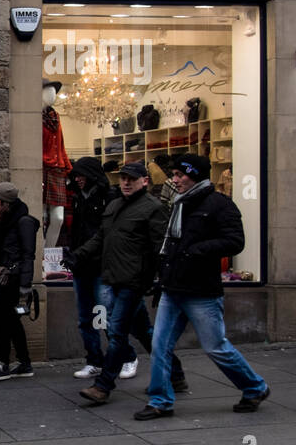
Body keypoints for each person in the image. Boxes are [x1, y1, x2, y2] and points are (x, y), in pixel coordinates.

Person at [139, 154, 269, 419]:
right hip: (173, 287)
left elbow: (235, 242)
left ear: (194, 175)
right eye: (173, 175)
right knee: (160, 346)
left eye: (179, 175)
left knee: (215, 347)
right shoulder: (179, 203)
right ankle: (160, 400)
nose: (174, 180)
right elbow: (170, 244)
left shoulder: (220, 204)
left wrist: (197, 251)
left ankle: (254, 386)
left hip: (201, 291)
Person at [72, 162, 186, 405]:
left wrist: (158, 280)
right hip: (114, 277)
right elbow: (101, 237)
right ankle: (176, 374)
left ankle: (103, 386)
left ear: (144, 181)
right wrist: (78, 255)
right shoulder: (115, 205)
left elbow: (160, 249)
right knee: (144, 332)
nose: (126, 182)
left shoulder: (152, 208)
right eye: (123, 178)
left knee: (117, 332)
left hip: (133, 282)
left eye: (131, 179)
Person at [64, 157, 116, 380]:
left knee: (105, 315)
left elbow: (104, 235)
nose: (77, 179)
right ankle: (94, 359)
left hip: (100, 266)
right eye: (75, 176)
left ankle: (123, 356)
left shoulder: (108, 198)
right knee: (86, 317)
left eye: (81, 175)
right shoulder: (78, 198)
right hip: (81, 266)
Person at [0, 181, 39, 381]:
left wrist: (25, 285)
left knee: (2, 319)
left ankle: (3, 363)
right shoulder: (3, 221)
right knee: (11, 321)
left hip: (14, 279)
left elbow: (28, 255)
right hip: (3, 278)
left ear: (6, 203)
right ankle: (24, 363)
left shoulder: (24, 222)